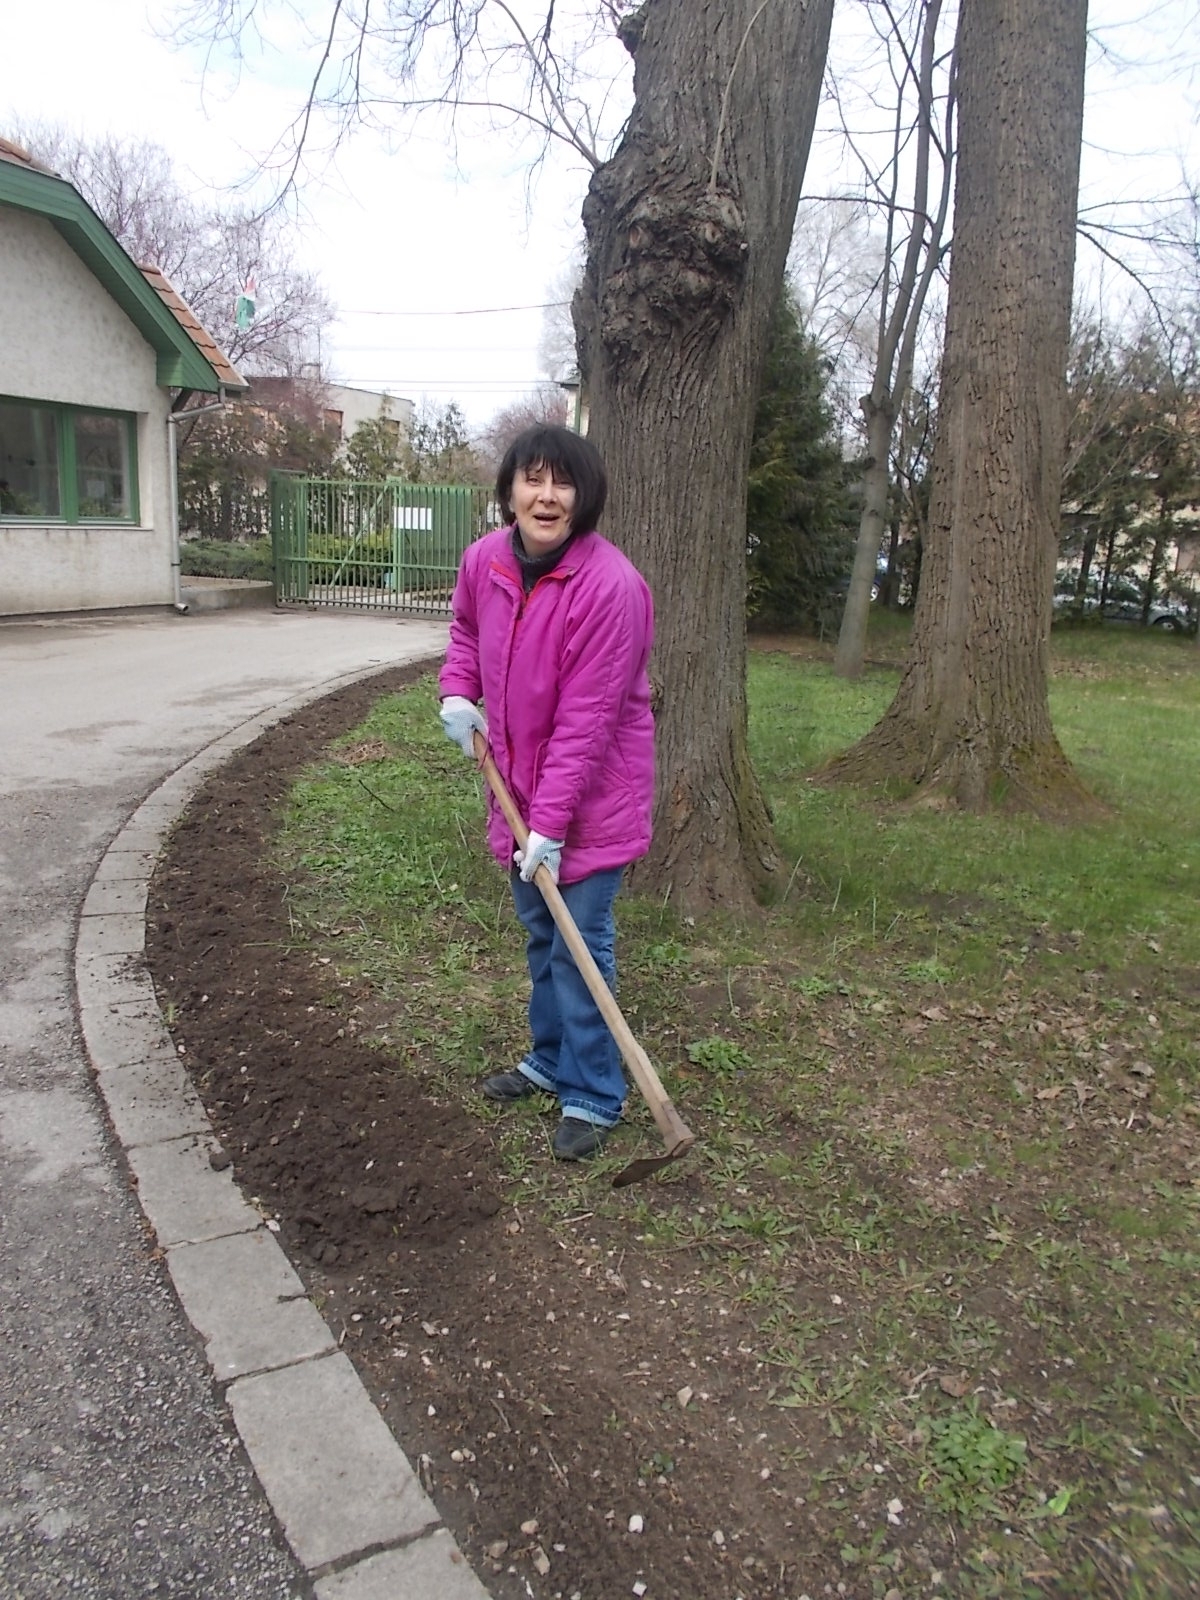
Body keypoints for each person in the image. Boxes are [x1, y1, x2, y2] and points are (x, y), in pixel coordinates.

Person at [438, 424, 655, 1161]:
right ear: (509, 491)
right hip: (517, 793)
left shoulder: (610, 588)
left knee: (579, 946)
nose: (546, 495)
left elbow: (587, 724)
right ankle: (551, 1057)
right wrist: (457, 694)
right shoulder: (485, 562)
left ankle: (594, 1093)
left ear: (583, 496)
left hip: (589, 801)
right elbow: (466, 634)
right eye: (532, 479)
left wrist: (551, 829)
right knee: (542, 936)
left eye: (562, 482)